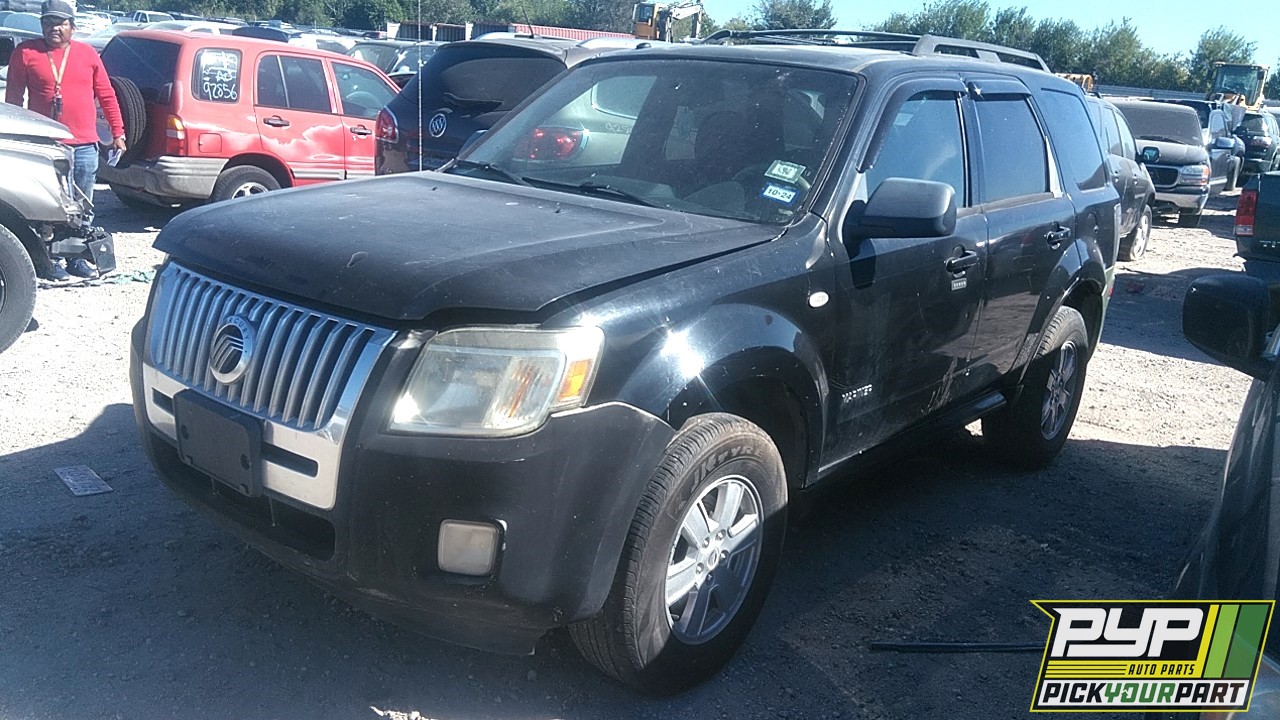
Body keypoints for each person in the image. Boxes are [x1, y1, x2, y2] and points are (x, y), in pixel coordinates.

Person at [4, 0, 126, 280]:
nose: (53, 28)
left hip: (83, 145)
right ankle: (50, 261)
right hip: (45, 146)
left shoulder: (87, 54)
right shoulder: (26, 53)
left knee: (82, 207)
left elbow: (106, 95)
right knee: (47, 205)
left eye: (60, 23)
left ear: (73, 26)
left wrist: (117, 132)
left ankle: (78, 258)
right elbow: (13, 101)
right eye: (47, 23)